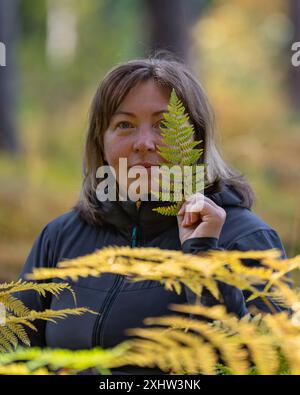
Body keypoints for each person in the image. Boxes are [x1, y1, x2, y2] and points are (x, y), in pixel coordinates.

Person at [15, 54, 287, 375]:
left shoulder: (246, 238)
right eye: (124, 125)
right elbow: (16, 356)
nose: (144, 143)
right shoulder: (60, 237)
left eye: (163, 125)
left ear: (197, 140)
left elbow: (266, 363)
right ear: (100, 143)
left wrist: (203, 257)